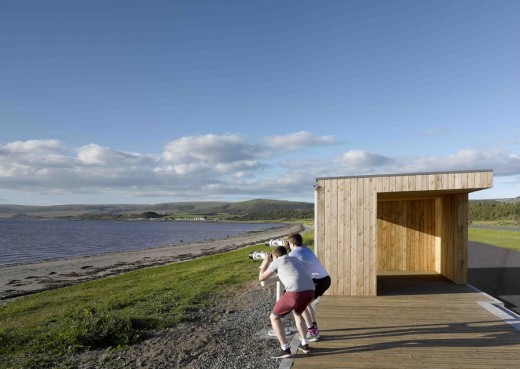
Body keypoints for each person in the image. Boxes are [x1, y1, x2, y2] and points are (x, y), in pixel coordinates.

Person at [258, 245, 315, 359]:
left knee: (274, 317)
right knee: (298, 314)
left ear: (275, 256)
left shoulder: (277, 261)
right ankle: (304, 344)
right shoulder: (294, 259)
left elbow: (262, 278)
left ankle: (285, 349)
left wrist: (265, 262)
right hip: (310, 291)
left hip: (295, 293)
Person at [287, 233, 331, 342]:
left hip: (318, 281)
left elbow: (284, 262)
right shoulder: (305, 249)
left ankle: (313, 332)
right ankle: (313, 327)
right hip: (324, 279)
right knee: (306, 304)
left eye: (289, 244)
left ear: (291, 243)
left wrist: (284, 249)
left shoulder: (294, 252)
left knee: (301, 305)